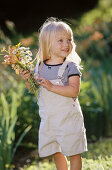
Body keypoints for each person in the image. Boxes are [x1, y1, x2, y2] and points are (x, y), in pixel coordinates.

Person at [20, 17, 88, 170]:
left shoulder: (71, 67)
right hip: (50, 120)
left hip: (68, 120)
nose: (66, 44)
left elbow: (73, 91)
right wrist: (27, 80)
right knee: (56, 152)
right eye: (61, 40)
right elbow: (34, 89)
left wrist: (51, 86)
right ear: (47, 43)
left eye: (69, 40)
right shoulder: (39, 67)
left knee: (74, 153)